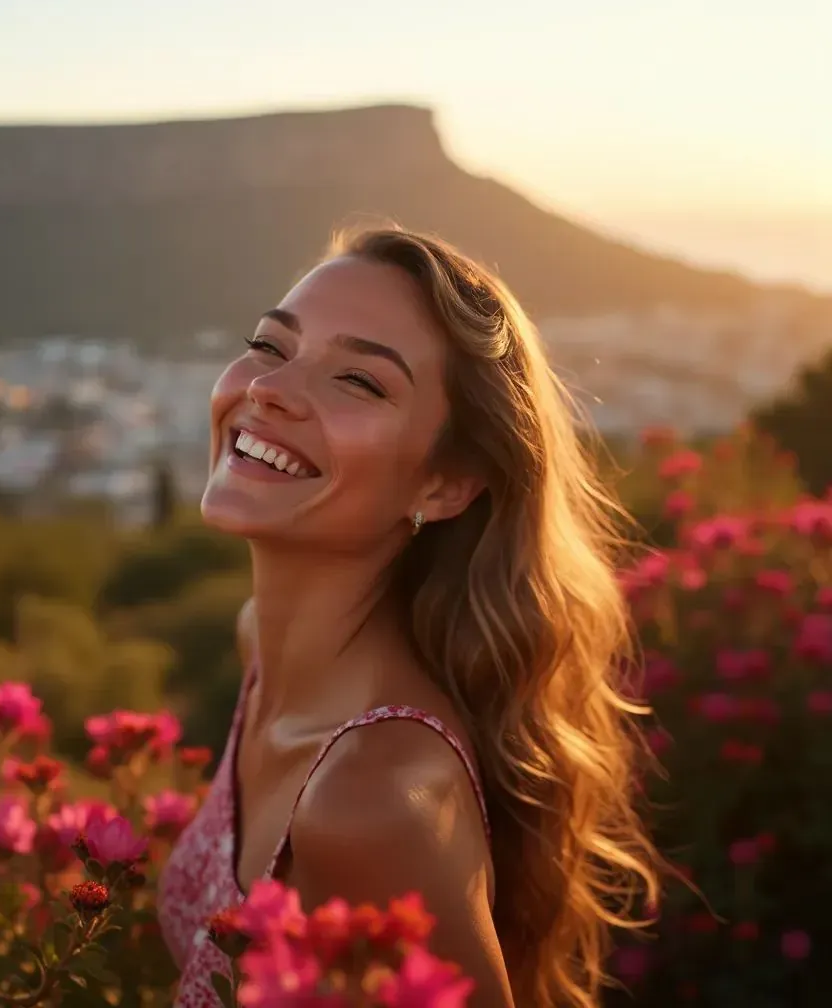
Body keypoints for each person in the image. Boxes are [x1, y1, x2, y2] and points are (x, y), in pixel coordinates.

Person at [157, 227, 660, 1007]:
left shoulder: (374, 799)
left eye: (359, 381)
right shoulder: (262, 643)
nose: (269, 388)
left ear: (445, 487)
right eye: (269, 344)